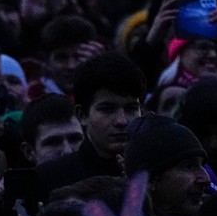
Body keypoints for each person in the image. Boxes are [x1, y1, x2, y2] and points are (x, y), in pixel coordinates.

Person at [36, 53, 146, 199]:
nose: (122, 120)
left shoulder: (161, 173)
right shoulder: (49, 179)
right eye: (107, 109)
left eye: (131, 108)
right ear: (82, 115)